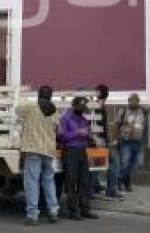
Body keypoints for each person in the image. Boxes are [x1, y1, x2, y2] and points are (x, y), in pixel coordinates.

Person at [16, 85, 61, 226]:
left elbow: (17, 110)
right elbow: (57, 127)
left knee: (32, 182)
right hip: (48, 150)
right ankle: (53, 211)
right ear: (50, 96)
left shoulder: (31, 106)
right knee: (48, 180)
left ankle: (32, 215)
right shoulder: (55, 110)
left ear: (39, 95)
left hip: (33, 149)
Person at [58, 96, 99, 220]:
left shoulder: (84, 120)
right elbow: (61, 137)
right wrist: (77, 133)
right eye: (80, 107)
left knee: (84, 182)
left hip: (82, 151)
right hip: (70, 151)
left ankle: (85, 210)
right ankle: (73, 211)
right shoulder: (65, 119)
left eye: (84, 108)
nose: (82, 110)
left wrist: (90, 137)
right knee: (71, 182)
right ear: (74, 106)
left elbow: (88, 135)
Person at [89, 84, 122, 201]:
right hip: (99, 139)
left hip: (98, 138)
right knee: (111, 163)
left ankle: (95, 189)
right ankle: (109, 191)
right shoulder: (98, 105)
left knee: (95, 165)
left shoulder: (95, 104)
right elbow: (96, 124)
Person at [116, 93, 148, 192]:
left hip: (138, 141)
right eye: (131, 100)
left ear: (138, 101)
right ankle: (126, 184)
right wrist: (116, 138)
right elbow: (116, 124)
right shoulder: (123, 111)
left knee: (136, 163)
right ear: (129, 101)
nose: (133, 102)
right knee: (125, 162)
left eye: (135, 100)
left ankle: (120, 179)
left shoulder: (142, 110)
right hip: (126, 141)